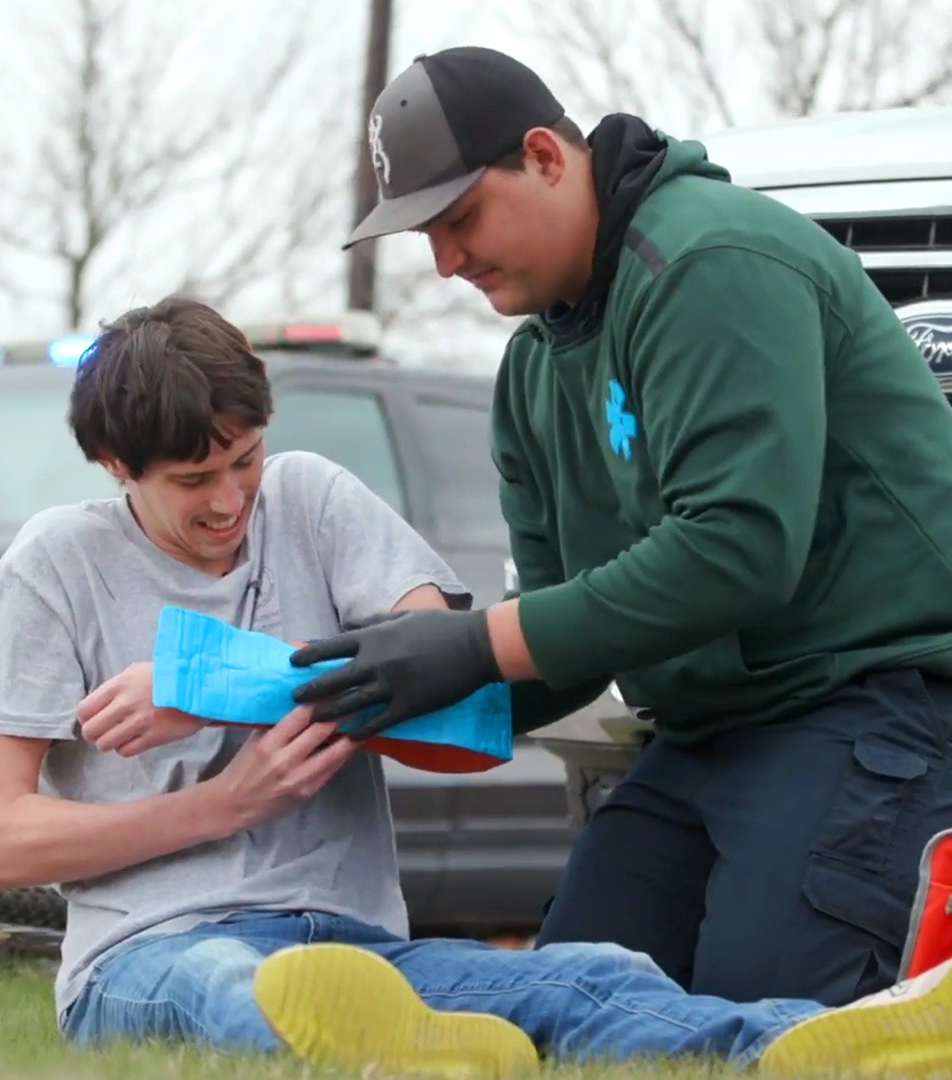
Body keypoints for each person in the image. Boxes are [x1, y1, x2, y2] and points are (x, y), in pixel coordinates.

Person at [0, 294, 952, 1080]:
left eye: (244, 460)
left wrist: (222, 684)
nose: (231, 500)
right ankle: (412, 1050)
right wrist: (225, 805)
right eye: (192, 481)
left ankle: (823, 1046)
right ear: (118, 465)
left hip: (355, 944)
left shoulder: (311, 499)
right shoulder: (54, 565)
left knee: (582, 982)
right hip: (149, 950)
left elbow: (462, 716)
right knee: (225, 989)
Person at [289, 45, 952, 1008]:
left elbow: (737, 551)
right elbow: (559, 645)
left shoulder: (707, 258)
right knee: (568, 1004)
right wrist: (363, 697)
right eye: (424, 238)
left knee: (760, 1016)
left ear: (547, 157)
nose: (443, 264)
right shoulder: (531, 375)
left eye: (459, 218)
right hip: (701, 733)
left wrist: (469, 644)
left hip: (864, 704)